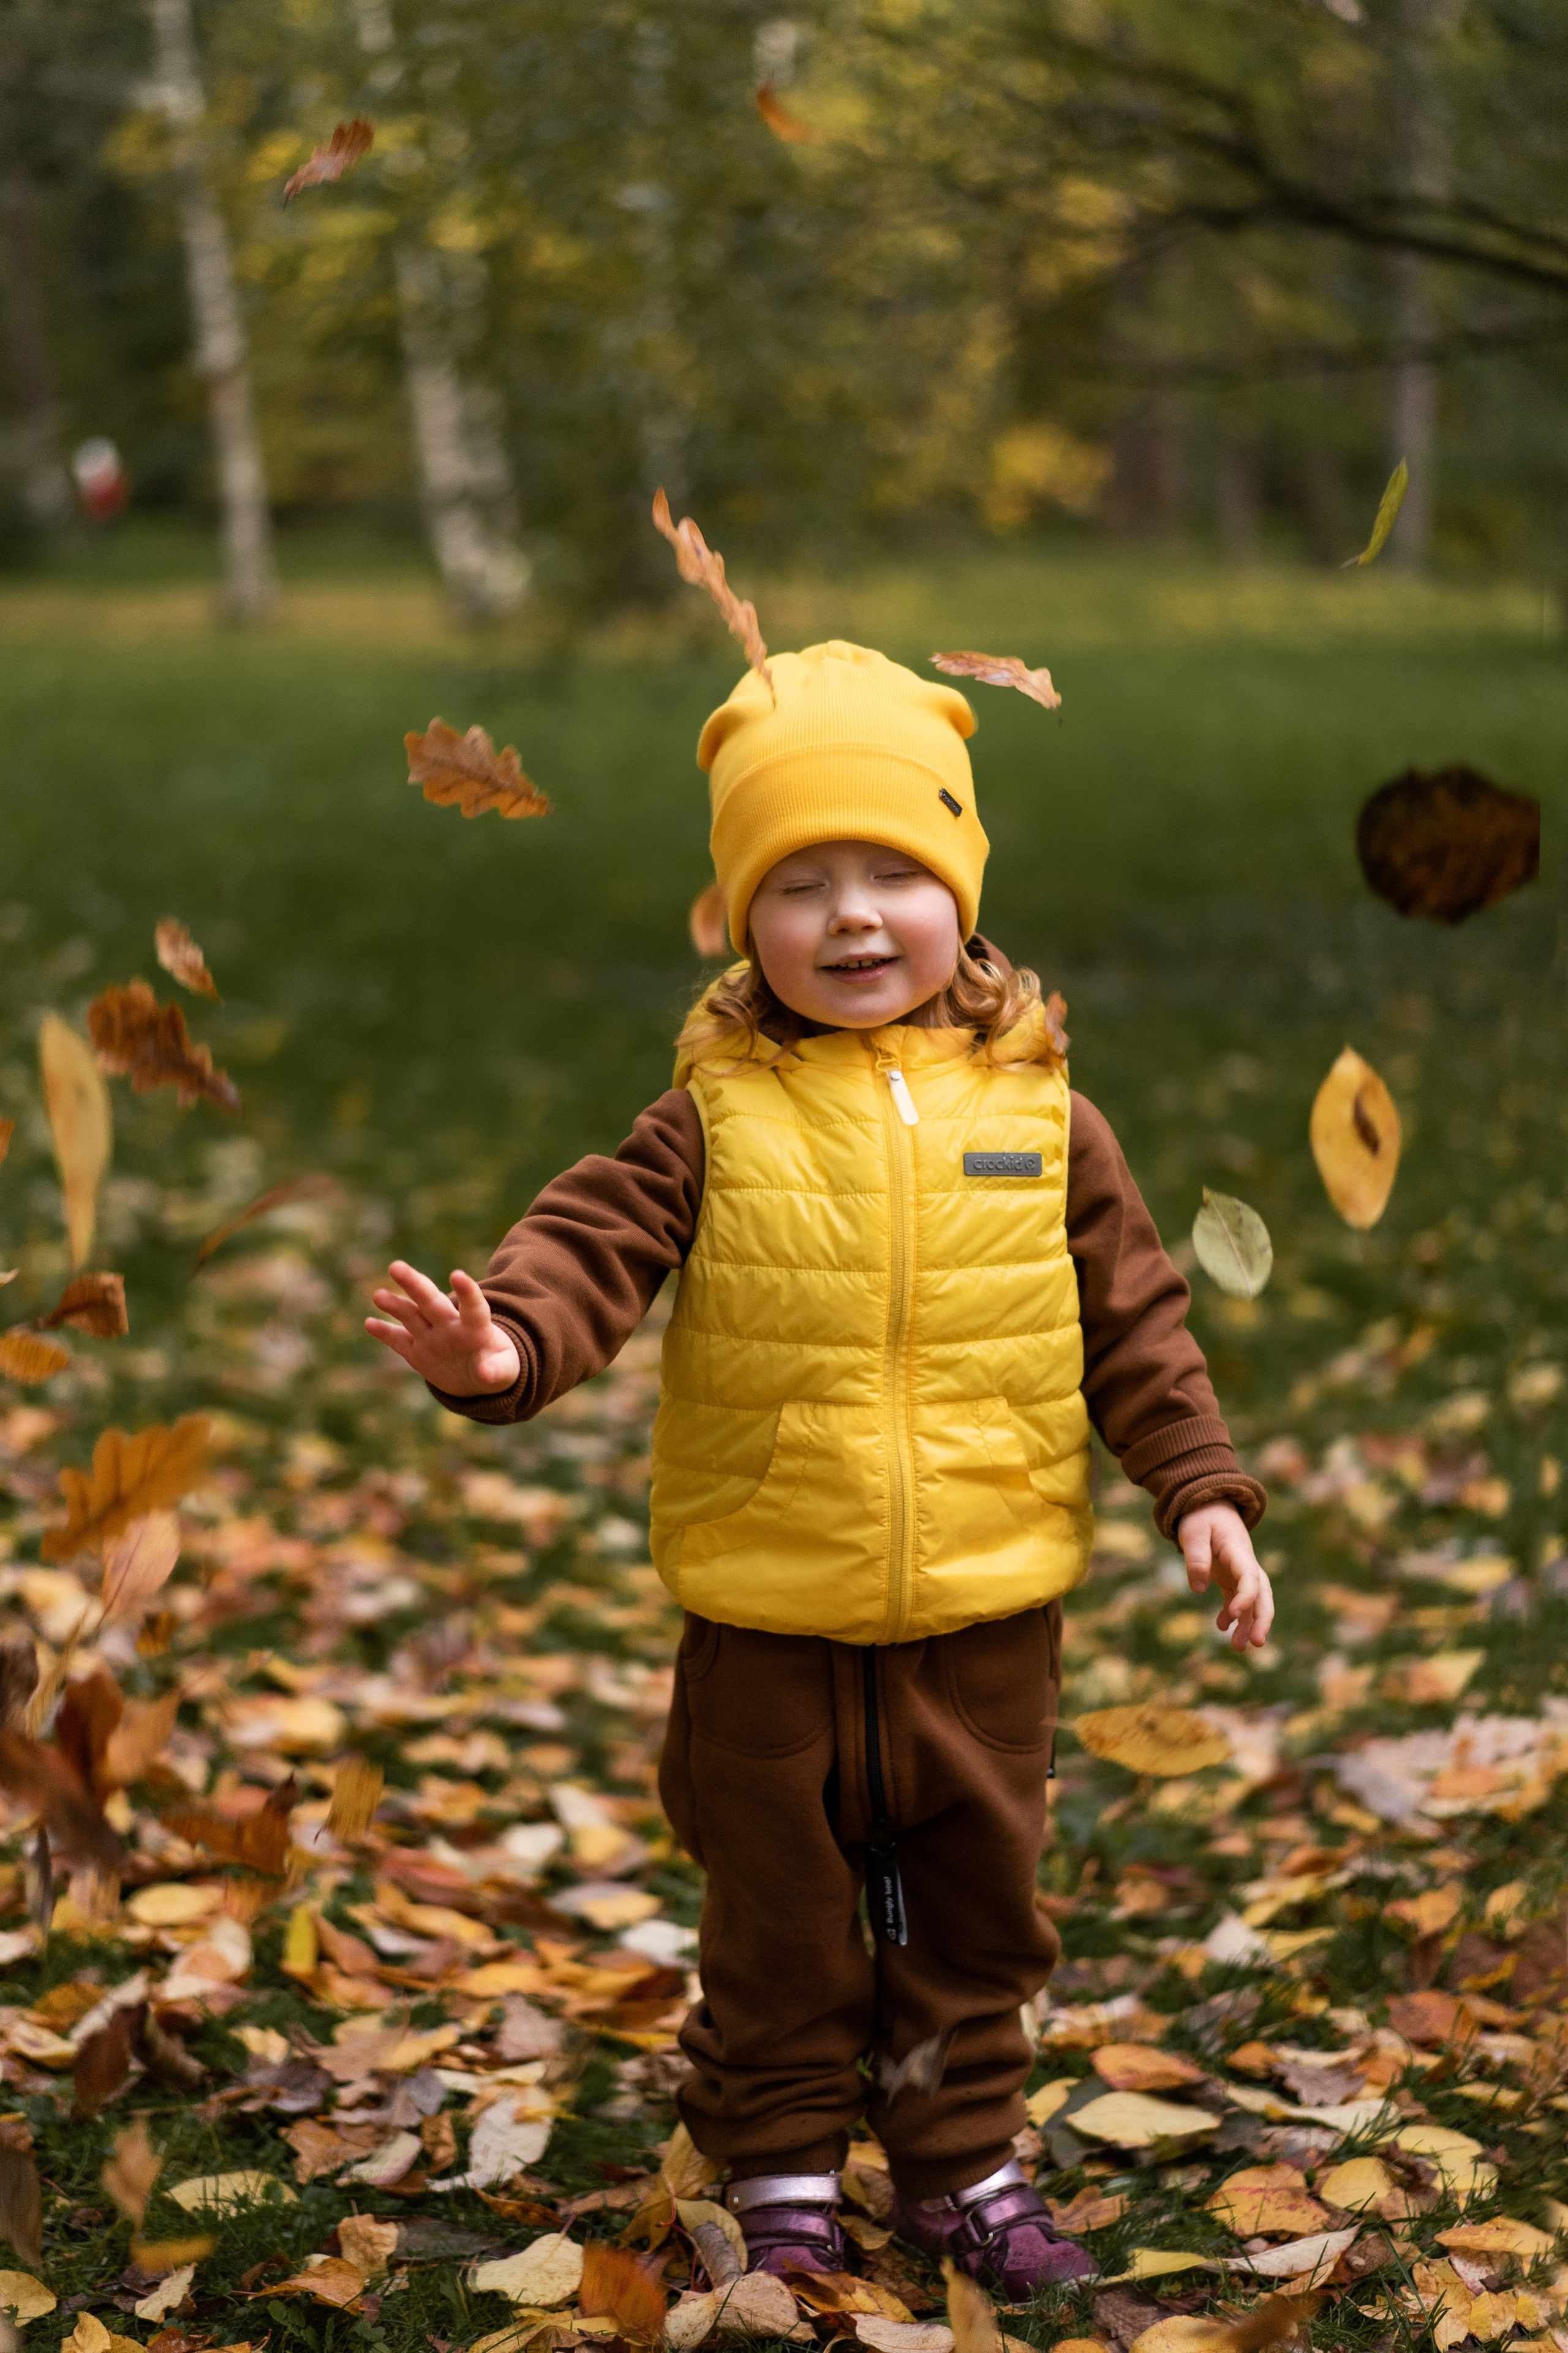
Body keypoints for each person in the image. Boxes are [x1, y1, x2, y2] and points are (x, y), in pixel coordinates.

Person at [366, 641, 1272, 2297]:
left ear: (962, 889)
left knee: (973, 1917)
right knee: (779, 1923)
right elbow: (591, 1243)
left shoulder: (1047, 1112)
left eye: (895, 875)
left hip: (986, 1615)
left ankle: (959, 2167)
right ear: (739, 917)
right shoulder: (717, 1112)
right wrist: (505, 1342)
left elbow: (1135, 1314)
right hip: (769, 1614)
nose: (854, 917)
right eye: (800, 883)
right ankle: (780, 2165)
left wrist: (1199, 1488)